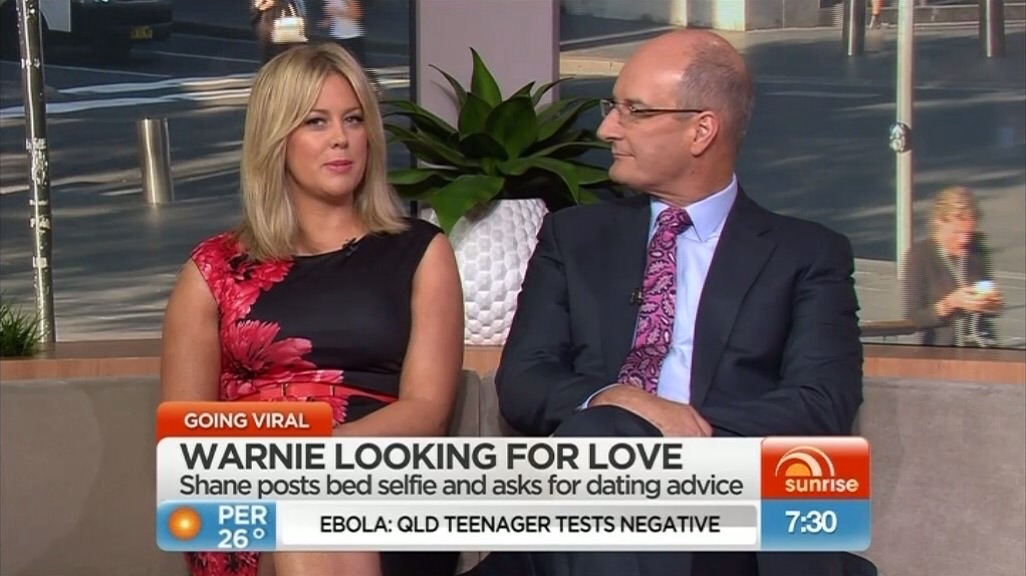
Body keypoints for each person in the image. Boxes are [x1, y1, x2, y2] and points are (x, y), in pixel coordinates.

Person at [468, 29, 876, 576]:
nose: (608, 129)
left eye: (634, 111)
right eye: (612, 107)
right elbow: (524, 381)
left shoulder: (806, 254)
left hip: (728, 512)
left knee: (605, 441)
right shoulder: (573, 237)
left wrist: (665, 432)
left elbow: (820, 403)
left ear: (701, 130)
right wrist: (618, 402)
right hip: (584, 504)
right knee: (600, 437)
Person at [160, 42, 464, 576]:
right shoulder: (212, 270)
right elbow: (185, 440)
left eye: (353, 119)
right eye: (316, 122)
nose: (341, 137)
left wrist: (315, 455)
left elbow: (426, 411)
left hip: (386, 478)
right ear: (277, 138)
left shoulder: (421, 252)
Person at [903, 186, 1004, 347]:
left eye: (969, 233)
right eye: (957, 232)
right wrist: (950, 303)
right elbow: (914, 318)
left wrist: (992, 304)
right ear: (939, 221)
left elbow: (992, 309)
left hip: (981, 345)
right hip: (941, 348)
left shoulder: (976, 250)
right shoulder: (920, 255)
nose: (964, 240)